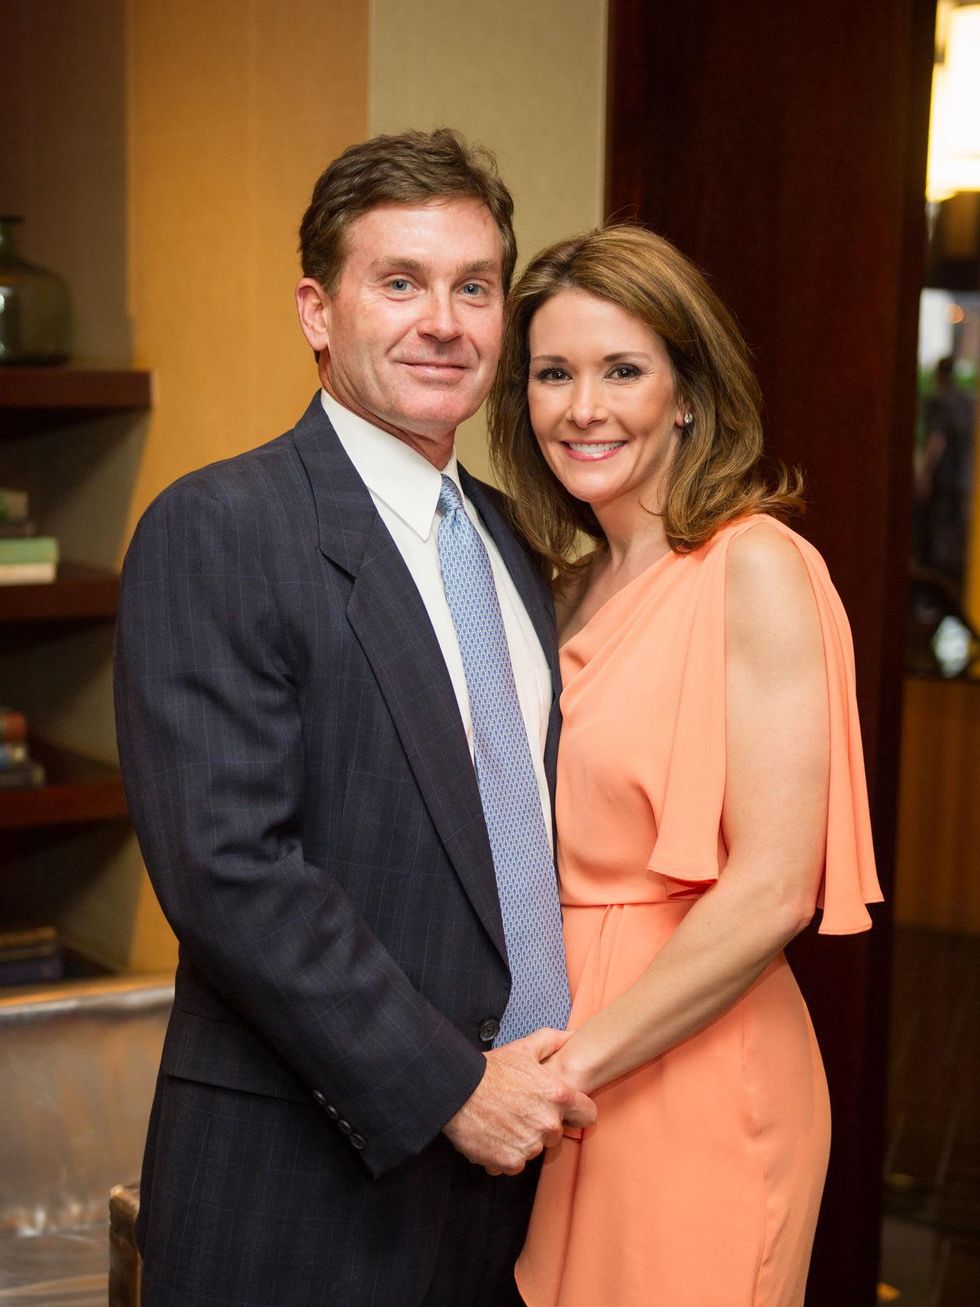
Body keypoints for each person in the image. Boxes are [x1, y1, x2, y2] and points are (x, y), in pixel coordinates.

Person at [113, 128, 596, 1307]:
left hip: (515, 1189)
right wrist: (451, 1088)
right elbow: (229, 869)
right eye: (400, 283)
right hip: (302, 1184)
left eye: (471, 286)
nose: (443, 321)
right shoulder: (219, 526)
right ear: (316, 312)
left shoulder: (518, 546)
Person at [487, 224, 883, 1307]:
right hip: (575, 1081)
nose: (584, 406)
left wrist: (562, 1071)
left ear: (687, 395)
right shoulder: (560, 587)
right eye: (553, 373)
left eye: (623, 370)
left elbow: (768, 888)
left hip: (691, 1072)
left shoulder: (752, 565)